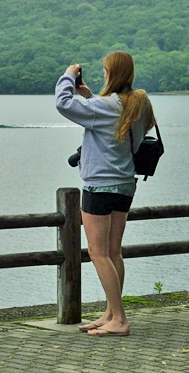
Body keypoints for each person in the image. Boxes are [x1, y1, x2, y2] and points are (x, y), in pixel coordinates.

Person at [55, 51, 156, 337]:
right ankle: (111, 313)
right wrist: (90, 99)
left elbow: (63, 103)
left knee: (98, 252)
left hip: (99, 185)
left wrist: (68, 75)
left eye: (104, 71)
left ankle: (120, 320)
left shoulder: (105, 105)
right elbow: (118, 126)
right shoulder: (139, 103)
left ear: (111, 73)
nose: (102, 75)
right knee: (113, 252)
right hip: (125, 184)